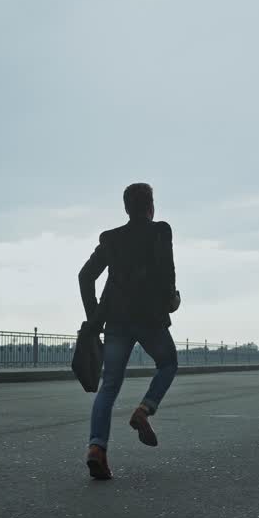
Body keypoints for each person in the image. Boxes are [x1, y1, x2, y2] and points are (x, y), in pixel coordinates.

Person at [77, 183, 180, 480]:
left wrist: (94, 319)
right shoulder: (160, 231)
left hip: (116, 320)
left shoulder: (111, 238)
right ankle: (144, 410)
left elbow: (85, 276)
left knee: (109, 385)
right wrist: (171, 299)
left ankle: (96, 448)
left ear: (126, 208)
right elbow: (167, 271)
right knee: (168, 364)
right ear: (151, 207)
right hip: (150, 319)